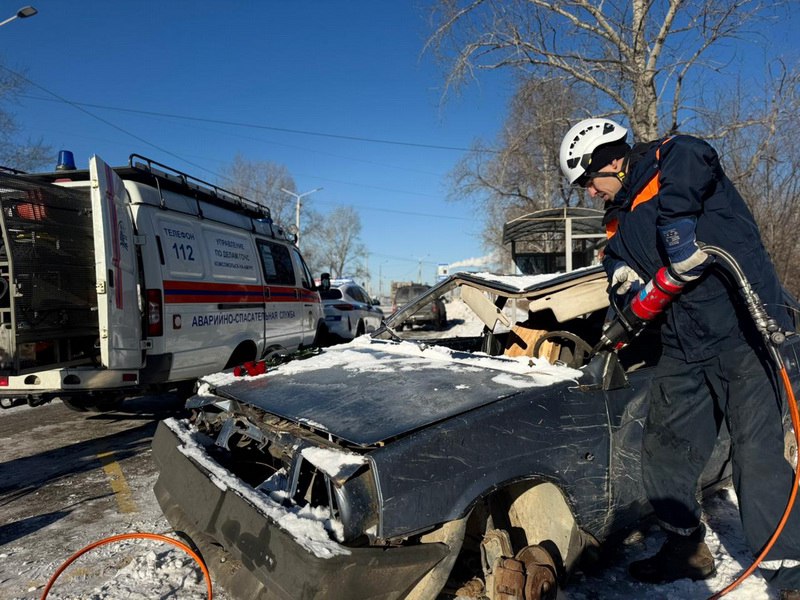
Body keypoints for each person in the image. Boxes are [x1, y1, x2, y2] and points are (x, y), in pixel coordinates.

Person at [559, 118, 800, 597]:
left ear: (611, 159)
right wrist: (622, 282)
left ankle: (792, 571)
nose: (590, 193)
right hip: (683, 347)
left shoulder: (675, 158)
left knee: (757, 457)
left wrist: (676, 226)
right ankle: (686, 549)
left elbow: (693, 156)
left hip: (744, 334)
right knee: (665, 450)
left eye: (589, 181)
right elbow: (617, 269)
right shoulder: (618, 221)